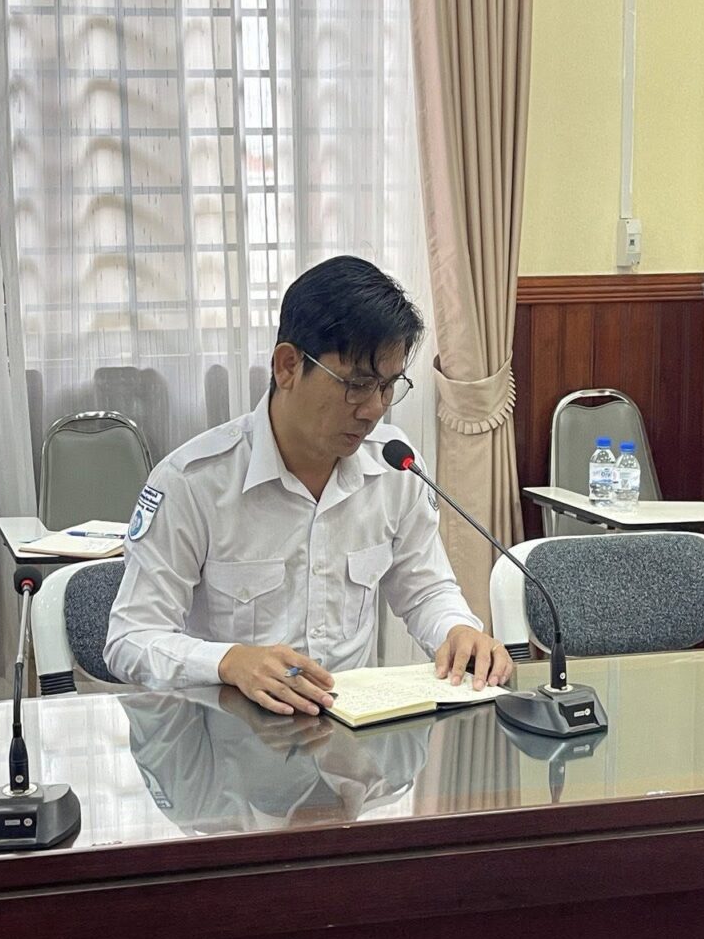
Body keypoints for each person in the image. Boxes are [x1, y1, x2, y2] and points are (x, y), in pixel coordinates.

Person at [104, 255, 513, 716]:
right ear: (288, 366)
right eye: (357, 384)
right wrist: (229, 661)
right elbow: (130, 639)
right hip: (232, 738)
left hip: (355, 739)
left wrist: (457, 630)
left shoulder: (394, 467)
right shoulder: (193, 483)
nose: (374, 409)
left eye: (388, 386)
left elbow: (425, 591)